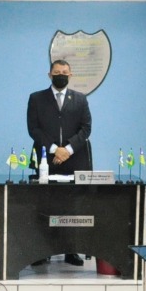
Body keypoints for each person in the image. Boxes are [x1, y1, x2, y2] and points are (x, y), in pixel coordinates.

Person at [27, 59, 94, 267]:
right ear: (49, 75)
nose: (61, 75)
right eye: (57, 72)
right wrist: (55, 149)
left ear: (71, 75)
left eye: (65, 72)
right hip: (46, 157)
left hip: (75, 158)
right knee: (44, 204)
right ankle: (41, 251)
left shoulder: (80, 99)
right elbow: (33, 129)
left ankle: (70, 250)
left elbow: (86, 128)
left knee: (71, 206)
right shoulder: (36, 98)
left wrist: (68, 150)